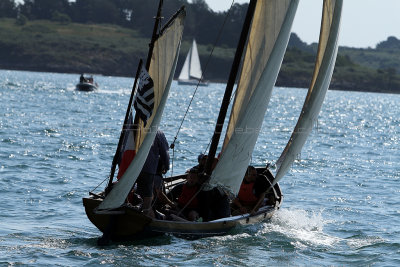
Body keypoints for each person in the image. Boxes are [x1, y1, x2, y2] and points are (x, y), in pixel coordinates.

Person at [136, 130, 169, 218]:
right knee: (148, 196)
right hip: (148, 169)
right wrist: (167, 166)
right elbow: (164, 152)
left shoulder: (134, 127)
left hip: (131, 168)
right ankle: (145, 216)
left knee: (138, 191)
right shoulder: (158, 133)